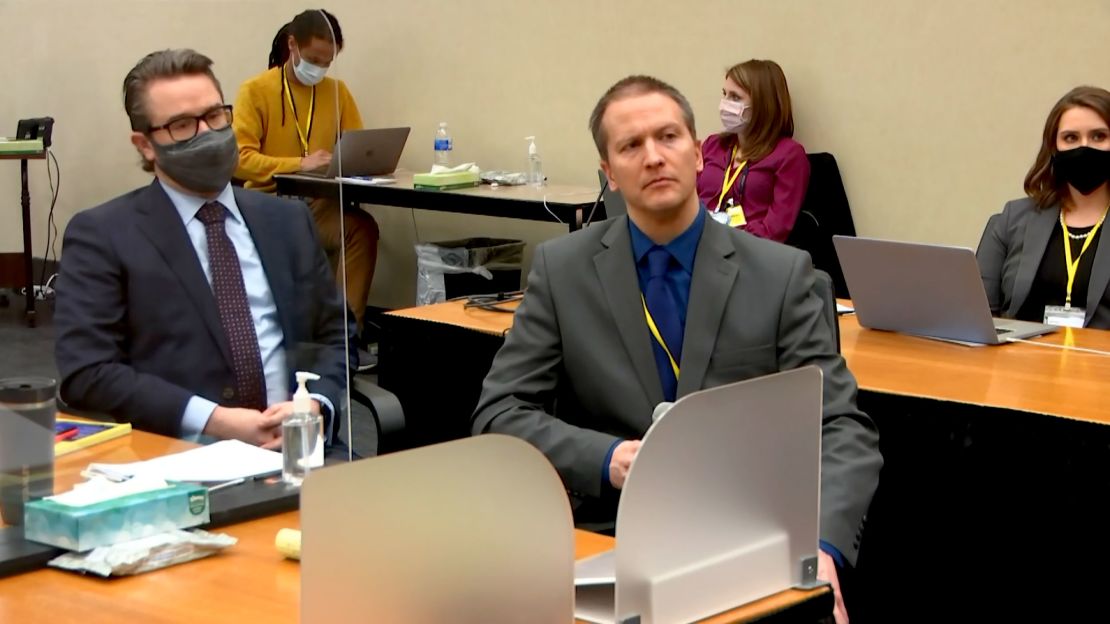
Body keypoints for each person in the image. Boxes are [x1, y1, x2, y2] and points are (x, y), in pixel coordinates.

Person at [472, 75, 881, 623]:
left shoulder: (782, 275)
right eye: (630, 146)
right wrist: (605, 459)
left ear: (697, 151)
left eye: (668, 137)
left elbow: (840, 428)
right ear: (608, 174)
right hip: (609, 543)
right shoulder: (562, 270)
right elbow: (500, 414)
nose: (654, 157)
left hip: (749, 542)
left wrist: (822, 547)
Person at [54, 49, 347, 447]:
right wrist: (216, 420)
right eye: (181, 125)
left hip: (298, 451)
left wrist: (315, 404)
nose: (206, 133)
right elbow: (87, 372)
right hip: (179, 462)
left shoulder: (286, 221)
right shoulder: (104, 235)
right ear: (145, 145)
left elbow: (336, 335)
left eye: (214, 116)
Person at [233, 9, 379, 332]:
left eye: (327, 62)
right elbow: (240, 159)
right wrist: (299, 164)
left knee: (361, 229)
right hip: (269, 203)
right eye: (313, 58)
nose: (320, 68)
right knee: (294, 234)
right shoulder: (256, 90)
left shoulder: (337, 92)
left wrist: (366, 165)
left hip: (317, 203)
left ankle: (346, 334)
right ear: (293, 46)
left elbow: (355, 147)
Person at [977, 85, 1110, 329]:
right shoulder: (1012, 219)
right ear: (1053, 147)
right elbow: (979, 314)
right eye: (1071, 138)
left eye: (1099, 136)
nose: (1084, 147)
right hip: (1020, 362)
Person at [696, 59, 810, 243]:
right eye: (724, 94)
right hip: (699, 245)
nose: (724, 104)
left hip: (748, 254)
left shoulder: (789, 155)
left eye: (735, 97)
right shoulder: (713, 145)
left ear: (763, 103)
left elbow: (776, 230)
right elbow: (685, 202)